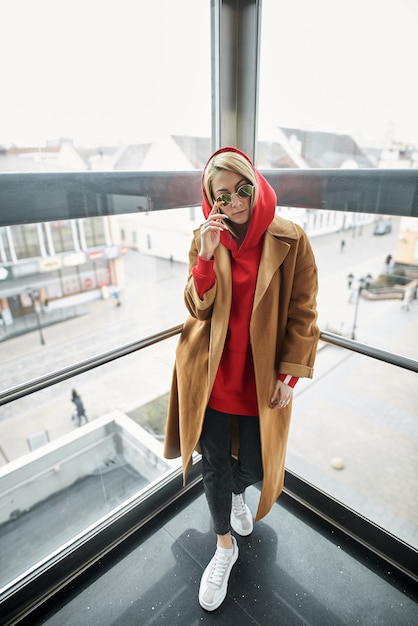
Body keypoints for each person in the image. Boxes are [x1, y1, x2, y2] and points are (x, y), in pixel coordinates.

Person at [164, 147, 319, 612]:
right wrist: (206, 258)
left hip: (260, 379)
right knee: (213, 464)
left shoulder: (291, 239)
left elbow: (304, 313)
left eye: (241, 190)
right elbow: (196, 307)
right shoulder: (204, 238)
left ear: (256, 184)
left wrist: (290, 374)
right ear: (210, 202)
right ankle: (223, 547)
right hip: (211, 375)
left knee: (256, 466)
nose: (232, 203)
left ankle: (236, 494)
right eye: (220, 197)